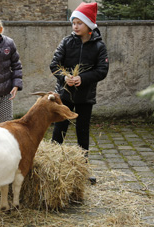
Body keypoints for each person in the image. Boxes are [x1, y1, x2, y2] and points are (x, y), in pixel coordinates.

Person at [50, 2, 109, 153]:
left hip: (85, 97)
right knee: (59, 130)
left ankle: (84, 165)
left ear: (89, 25)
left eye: (79, 23)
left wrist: (83, 78)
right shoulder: (66, 42)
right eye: (73, 23)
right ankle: (52, 163)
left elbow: (102, 70)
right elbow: (54, 65)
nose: (75, 26)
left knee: (82, 131)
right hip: (64, 95)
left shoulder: (99, 46)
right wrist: (64, 78)